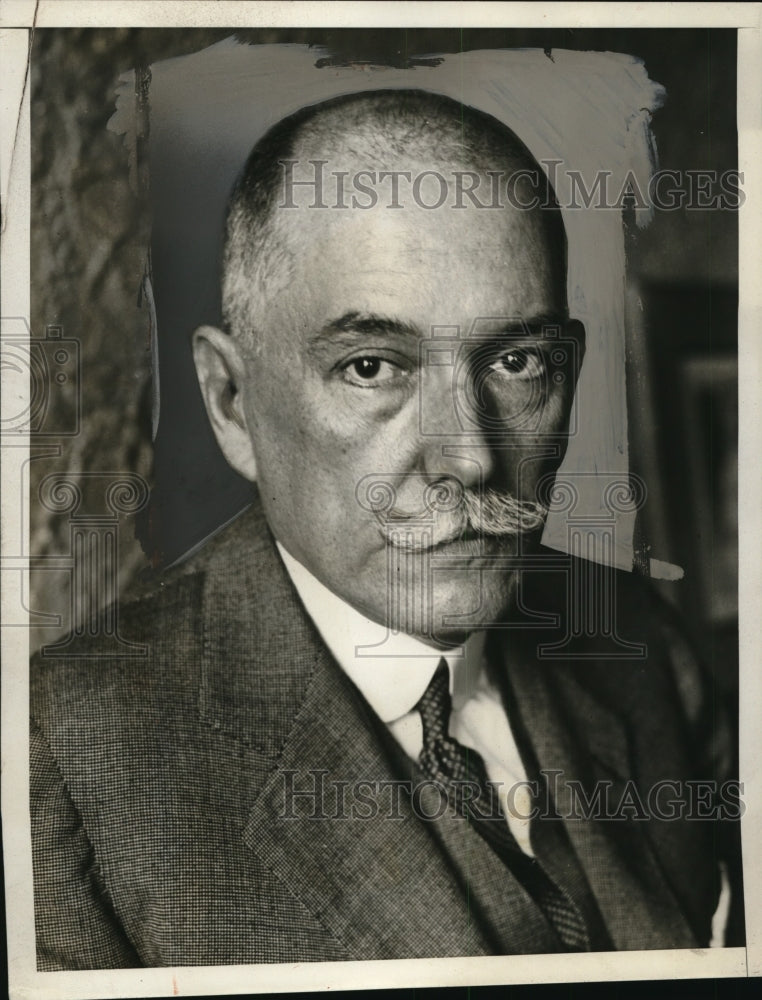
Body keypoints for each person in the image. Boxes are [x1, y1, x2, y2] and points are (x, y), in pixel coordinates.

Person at [30, 89, 743, 968]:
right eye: (371, 367)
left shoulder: (639, 643)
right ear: (231, 402)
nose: (469, 458)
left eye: (517, 362)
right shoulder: (59, 765)